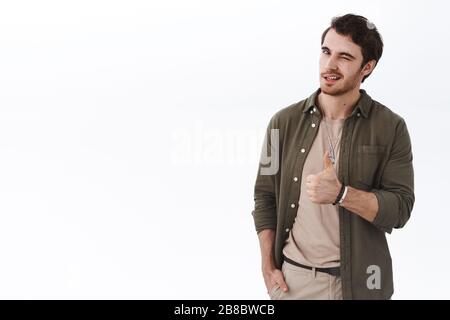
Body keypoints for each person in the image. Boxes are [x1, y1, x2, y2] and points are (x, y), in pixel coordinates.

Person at [252, 13, 414, 300]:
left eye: (345, 57)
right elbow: (264, 197)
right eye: (326, 52)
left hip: (363, 283)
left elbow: (400, 208)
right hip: (294, 283)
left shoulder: (391, 127)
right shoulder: (282, 123)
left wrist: (342, 194)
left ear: (367, 67)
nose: (330, 65)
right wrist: (267, 266)